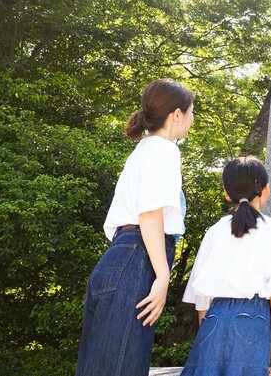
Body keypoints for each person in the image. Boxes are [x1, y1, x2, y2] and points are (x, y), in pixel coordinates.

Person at [76, 78, 195, 376]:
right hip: (137, 259)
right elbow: (150, 214)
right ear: (177, 114)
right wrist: (163, 276)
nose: (192, 121)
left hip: (118, 258)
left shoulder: (143, 150)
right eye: (191, 113)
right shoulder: (164, 150)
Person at [181, 156, 271, 376]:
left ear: (226, 194)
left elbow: (202, 297)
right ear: (265, 189)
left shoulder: (214, 232)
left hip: (213, 320)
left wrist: (207, 332)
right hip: (253, 321)